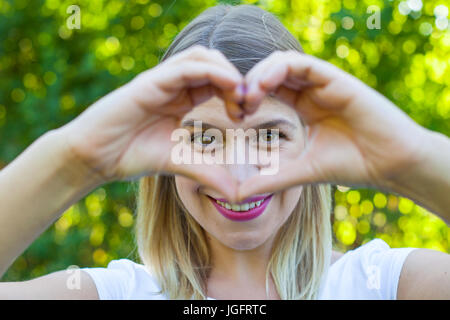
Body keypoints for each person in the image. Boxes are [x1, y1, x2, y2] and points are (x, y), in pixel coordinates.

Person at [0, 4, 449, 300]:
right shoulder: (114, 293)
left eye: (269, 136)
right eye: (204, 138)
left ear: (311, 141)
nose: (237, 172)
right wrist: (78, 160)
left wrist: (408, 158)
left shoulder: (387, 285)